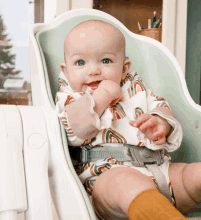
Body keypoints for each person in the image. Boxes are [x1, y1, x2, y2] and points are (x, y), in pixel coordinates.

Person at [55, 20, 201, 220]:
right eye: (80, 63)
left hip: (162, 173)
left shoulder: (136, 90)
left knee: (195, 174)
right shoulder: (70, 99)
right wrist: (101, 98)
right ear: (67, 70)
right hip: (107, 181)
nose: (93, 70)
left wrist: (160, 124)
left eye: (105, 61)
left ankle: (162, 211)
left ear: (124, 68)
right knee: (124, 182)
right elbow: (73, 131)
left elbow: (160, 106)